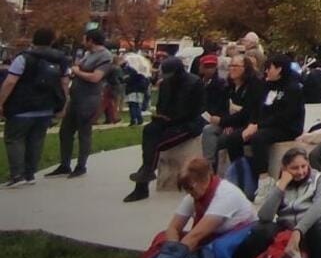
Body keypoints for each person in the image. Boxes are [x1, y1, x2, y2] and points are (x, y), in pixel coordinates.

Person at [234, 148, 321, 258]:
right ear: (285, 169)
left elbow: (319, 209)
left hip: (316, 236)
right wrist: (281, 185)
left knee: (319, 225)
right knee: (260, 228)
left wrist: (298, 230)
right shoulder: (280, 184)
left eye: (303, 166)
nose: (300, 172)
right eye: (294, 168)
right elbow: (264, 216)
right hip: (287, 235)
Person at [158, 156, 256, 258]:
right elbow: (173, 228)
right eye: (185, 189)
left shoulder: (226, 195)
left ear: (203, 180)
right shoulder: (193, 196)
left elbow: (196, 236)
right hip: (214, 232)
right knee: (162, 237)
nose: (188, 193)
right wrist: (172, 247)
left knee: (217, 248)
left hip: (244, 231)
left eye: (190, 188)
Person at [124, 57, 206, 202]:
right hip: (169, 121)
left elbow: (197, 110)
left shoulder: (195, 83)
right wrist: (161, 117)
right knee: (149, 130)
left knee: (157, 144)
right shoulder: (165, 84)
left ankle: (142, 183)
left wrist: (173, 118)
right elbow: (161, 106)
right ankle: (146, 173)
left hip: (189, 124)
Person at [224, 53, 304, 198]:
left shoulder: (292, 89)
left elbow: (284, 115)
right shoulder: (266, 86)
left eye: (269, 68)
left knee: (258, 138)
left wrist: (258, 126)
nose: (266, 71)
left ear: (279, 69)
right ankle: (242, 174)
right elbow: (257, 109)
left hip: (285, 127)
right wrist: (252, 124)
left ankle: (264, 179)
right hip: (264, 124)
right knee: (233, 139)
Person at [0, 27, 68, 187]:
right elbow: (64, 83)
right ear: (52, 41)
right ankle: (30, 174)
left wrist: (1, 102)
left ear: (33, 39)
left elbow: (10, 82)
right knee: (36, 140)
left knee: (14, 139)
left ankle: (17, 175)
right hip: (46, 107)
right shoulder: (61, 59)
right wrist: (63, 105)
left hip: (21, 106)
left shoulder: (24, 58)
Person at [48, 23, 114, 178]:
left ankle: (81, 165)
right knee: (65, 131)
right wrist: (75, 70)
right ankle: (65, 164)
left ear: (91, 40)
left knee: (84, 132)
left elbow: (96, 77)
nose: (83, 42)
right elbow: (78, 67)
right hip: (76, 96)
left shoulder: (104, 56)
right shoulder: (88, 54)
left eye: (85, 39)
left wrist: (77, 71)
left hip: (89, 98)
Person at [202, 55, 262, 164]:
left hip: (245, 125)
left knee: (220, 141)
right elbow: (222, 107)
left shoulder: (254, 86)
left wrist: (224, 121)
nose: (232, 69)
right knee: (208, 130)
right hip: (228, 123)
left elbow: (247, 112)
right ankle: (208, 165)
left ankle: (234, 167)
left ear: (245, 68)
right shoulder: (229, 87)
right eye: (230, 66)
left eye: (236, 66)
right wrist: (222, 121)